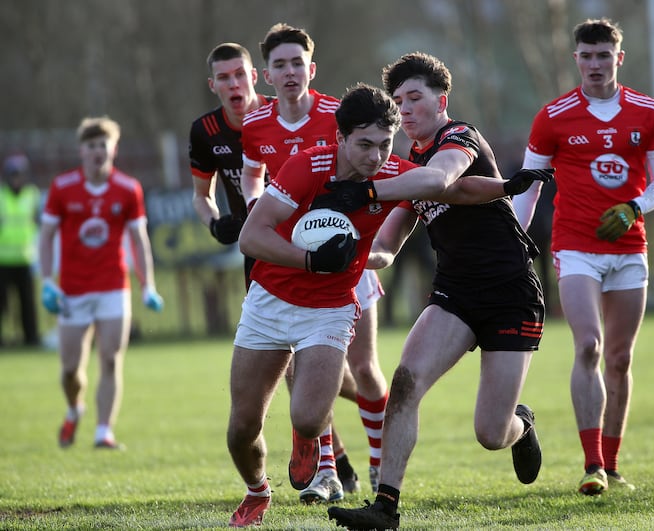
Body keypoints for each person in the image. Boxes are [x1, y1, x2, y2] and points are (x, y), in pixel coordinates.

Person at [227, 82, 535, 527]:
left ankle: (307, 438)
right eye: (364, 145)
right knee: (242, 428)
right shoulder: (306, 168)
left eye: (384, 145)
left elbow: (456, 191)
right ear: (340, 139)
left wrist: (507, 185)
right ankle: (257, 492)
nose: (375, 157)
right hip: (269, 301)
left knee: (311, 419)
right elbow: (250, 238)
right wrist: (310, 259)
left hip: (330, 308)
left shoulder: (392, 173)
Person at [327, 52, 551, 531]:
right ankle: (385, 506)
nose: (405, 110)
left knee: (491, 434)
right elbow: (386, 247)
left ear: (441, 101)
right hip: (454, 294)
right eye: (399, 101)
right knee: (405, 382)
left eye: (414, 98)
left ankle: (522, 423)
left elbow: (441, 179)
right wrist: (338, 257)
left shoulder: (457, 138)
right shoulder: (408, 169)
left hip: (511, 291)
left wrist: (369, 191)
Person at [511, 18, 654, 496]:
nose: (596, 64)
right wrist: (513, 241)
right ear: (575, 59)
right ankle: (592, 464)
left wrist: (633, 207)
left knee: (620, 359)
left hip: (629, 249)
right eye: (587, 55)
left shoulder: (648, 112)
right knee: (589, 346)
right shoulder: (554, 116)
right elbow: (527, 189)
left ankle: (614, 461)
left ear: (618, 58)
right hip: (575, 247)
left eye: (604, 55)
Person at [239, 22, 381, 503]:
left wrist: (381, 242)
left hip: (349, 261)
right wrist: (262, 213)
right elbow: (253, 176)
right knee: (308, 373)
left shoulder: (339, 115)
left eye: (297, 62)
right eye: (279, 64)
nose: (290, 71)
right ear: (267, 75)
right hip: (294, 262)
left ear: (311, 68)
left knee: (362, 371)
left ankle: (381, 464)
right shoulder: (255, 124)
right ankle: (328, 472)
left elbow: (381, 166)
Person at [38, 116, 164, 450]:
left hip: (113, 288)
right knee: (70, 371)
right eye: (91, 145)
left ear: (114, 148)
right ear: (81, 151)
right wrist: (48, 281)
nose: (97, 151)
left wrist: (147, 284)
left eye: (103, 144)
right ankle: (73, 408)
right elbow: (47, 234)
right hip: (73, 291)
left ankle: (103, 431)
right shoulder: (63, 188)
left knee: (110, 359)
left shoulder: (128, 188)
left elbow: (139, 240)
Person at [190, 42, 274, 288]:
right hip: (255, 242)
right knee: (262, 323)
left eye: (240, 74)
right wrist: (215, 224)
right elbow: (201, 195)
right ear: (212, 85)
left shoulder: (280, 113)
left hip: (300, 232)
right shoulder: (205, 130)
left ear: (254, 77)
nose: (234, 84)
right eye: (223, 78)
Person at [0, 153, 41, 347]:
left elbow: (37, 222)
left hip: (25, 257)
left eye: (19, 175)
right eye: (13, 175)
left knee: (28, 304)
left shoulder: (32, 195)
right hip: (3, 259)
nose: (16, 179)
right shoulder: (1, 196)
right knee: (2, 305)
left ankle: (31, 338)